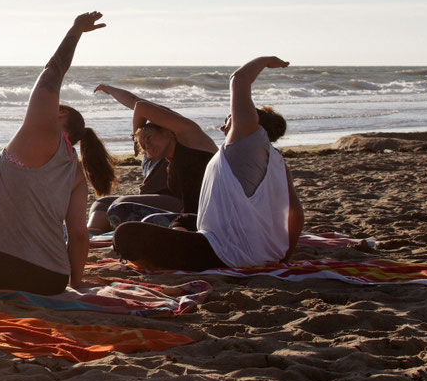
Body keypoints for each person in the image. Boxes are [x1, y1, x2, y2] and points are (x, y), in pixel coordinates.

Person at [0, 12, 116, 296]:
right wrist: (75, 283)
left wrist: (75, 31)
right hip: (53, 278)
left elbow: (51, 75)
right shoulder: (75, 170)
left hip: (6, 268)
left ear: (59, 114)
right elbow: (79, 235)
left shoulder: (42, 134)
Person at [114, 57, 303, 271]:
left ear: (249, 122)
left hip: (226, 253)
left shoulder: (244, 141)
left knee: (125, 234)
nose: (223, 126)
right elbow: (296, 214)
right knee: (186, 220)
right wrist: (284, 255)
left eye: (228, 119)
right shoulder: (278, 161)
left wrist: (265, 60)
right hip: (262, 251)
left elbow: (239, 79)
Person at [87, 82, 217, 232]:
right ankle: (92, 235)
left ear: (168, 131)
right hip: (185, 217)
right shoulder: (168, 164)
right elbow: (134, 102)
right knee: (103, 204)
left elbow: (139, 104)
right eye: (143, 145)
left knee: (121, 207)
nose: (147, 145)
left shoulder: (191, 138)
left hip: (203, 216)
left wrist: (135, 137)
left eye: (149, 138)